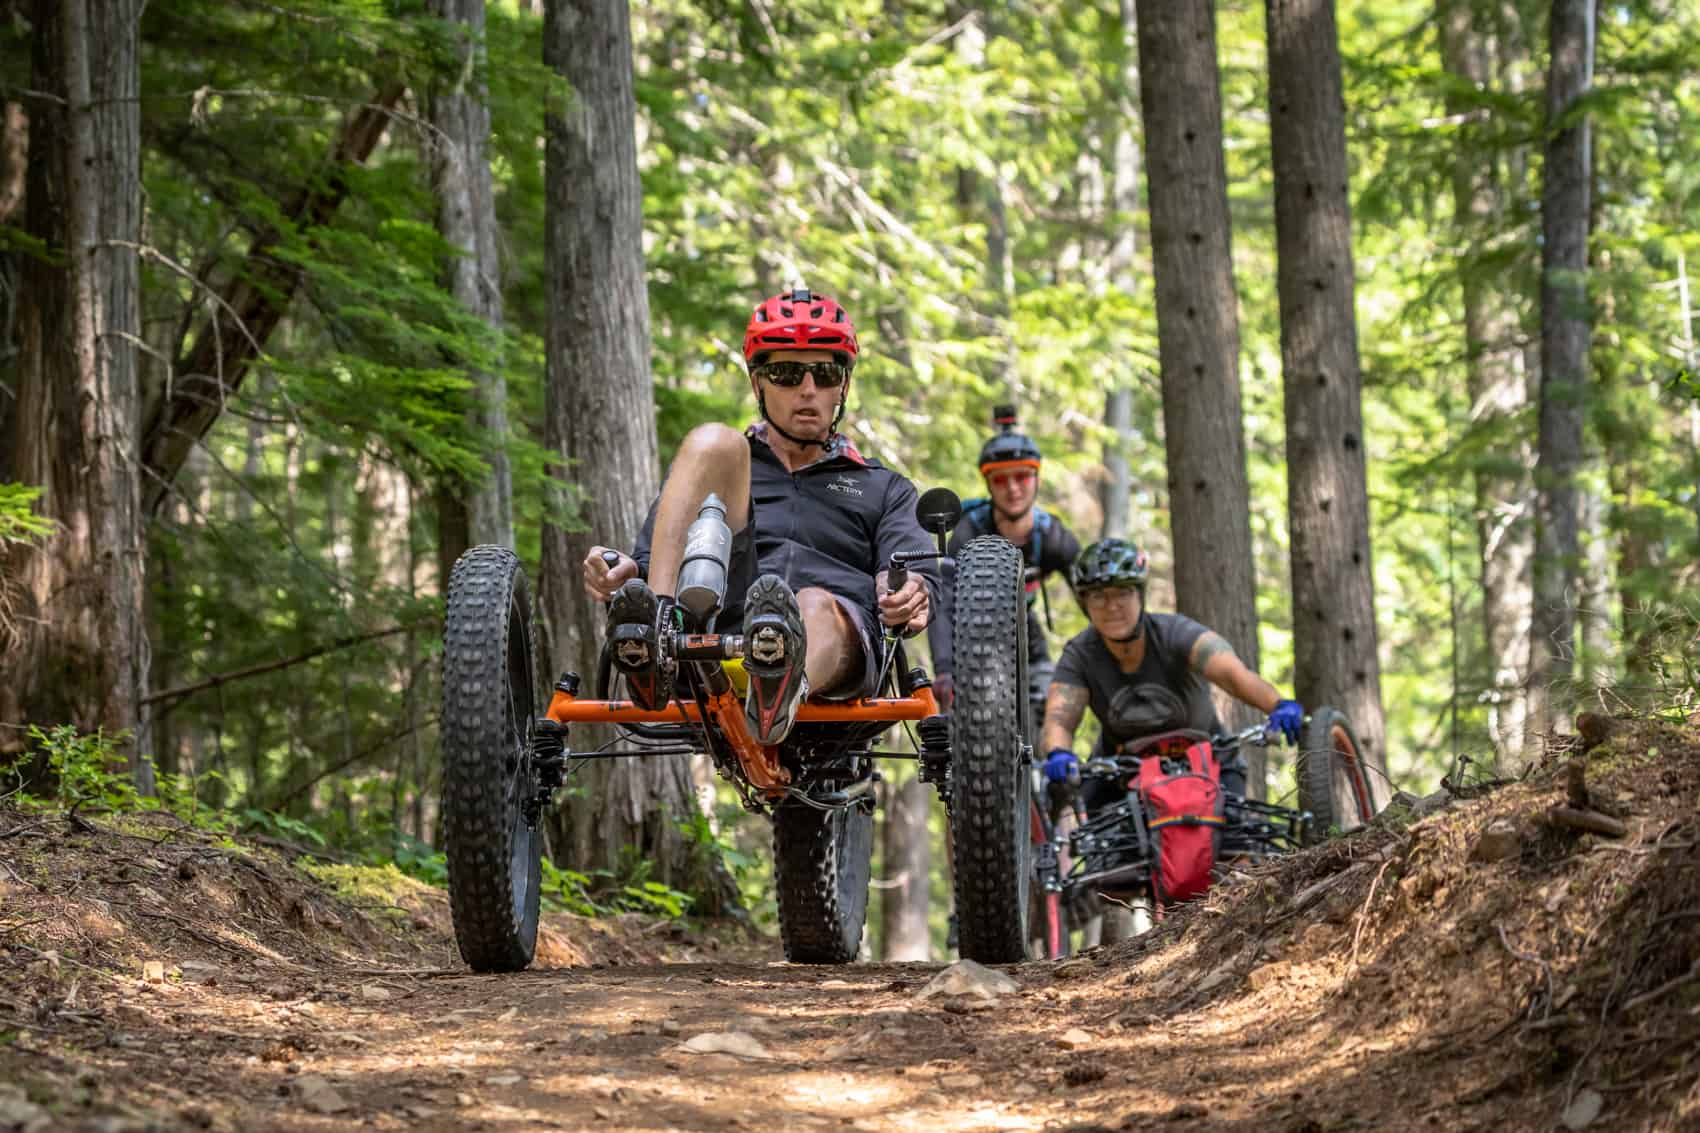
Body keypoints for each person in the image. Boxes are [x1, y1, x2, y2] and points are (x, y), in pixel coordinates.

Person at [581, 288, 941, 746]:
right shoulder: (726, 466)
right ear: (759, 384)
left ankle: (778, 678)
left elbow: (916, 574)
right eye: (787, 374)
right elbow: (654, 554)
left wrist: (910, 593)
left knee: (809, 605)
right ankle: (658, 639)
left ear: (842, 386)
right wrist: (628, 570)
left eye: (825, 374)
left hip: (834, 642)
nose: (808, 389)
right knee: (714, 439)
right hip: (720, 634)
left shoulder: (883, 486)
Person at [1040, 538, 1304, 811]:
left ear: (1140, 595)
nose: (1111, 605)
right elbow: (1059, 718)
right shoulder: (1081, 654)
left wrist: (1276, 704)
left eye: (1122, 592)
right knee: (1086, 838)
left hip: (1208, 760)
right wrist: (1059, 752)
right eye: (1098, 595)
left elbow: (1233, 674)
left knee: (1234, 846)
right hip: (1122, 772)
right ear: (1084, 603)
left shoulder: (1176, 634)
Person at [928, 407, 1082, 712]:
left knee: (1048, 713)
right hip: (971, 644)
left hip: (1028, 640)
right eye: (1000, 481)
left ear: (1037, 478)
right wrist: (945, 670)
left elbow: (1095, 597)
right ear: (988, 485)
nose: (1012, 489)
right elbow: (943, 601)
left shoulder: (1052, 536)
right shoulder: (966, 533)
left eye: (1022, 477)